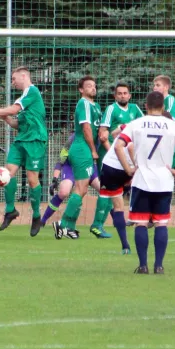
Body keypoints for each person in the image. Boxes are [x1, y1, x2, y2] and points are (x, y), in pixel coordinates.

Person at [115, 91, 175, 274]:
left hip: (142, 179)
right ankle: (159, 266)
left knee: (140, 223)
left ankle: (143, 266)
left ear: (146, 106)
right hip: (164, 181)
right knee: (161, 223)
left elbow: (119, 144)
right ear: (163, 107)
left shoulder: (136, 123)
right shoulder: (173, 126)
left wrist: (129, 169)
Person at [0, 66, 47, 237]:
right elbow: (17, 123)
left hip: (35, 141)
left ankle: (36, 215)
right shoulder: (23, 97)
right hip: (21, 140)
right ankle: (10, 210)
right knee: (8, 173)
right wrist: (6, 118)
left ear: (24, 76)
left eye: (14, 79)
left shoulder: (32, 91)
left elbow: (14, 110)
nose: (12, 82)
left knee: (32, 180)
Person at [90, 82, 144, 237]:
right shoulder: (111, 109)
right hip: (112, 158)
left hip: (127, 157)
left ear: (129, 95)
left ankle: (116, 217)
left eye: (125, 93)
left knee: (122, 189)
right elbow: (103, 133)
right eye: (119, 93)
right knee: (108, 191)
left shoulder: (135, 109)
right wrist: (112, 153)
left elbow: (143, 125)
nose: (122, 96)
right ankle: (97, 225)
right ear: (115, 96)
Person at [52, 76, 102, 239]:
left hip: (84, 149)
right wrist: (93, 150)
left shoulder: (96, 106)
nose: (93, 88)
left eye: (94, 86)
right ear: (81, 90)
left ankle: (70, 227)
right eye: (88, 86)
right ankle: (62, 225)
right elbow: (86, 128)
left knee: (83, 189)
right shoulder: (84, 103)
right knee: (80, 189)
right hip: (81, 148)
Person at [40, 133, 100, 227]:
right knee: (63, 192)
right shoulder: (72, 139)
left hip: (89, 166)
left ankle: (101, 224)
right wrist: (54, 180)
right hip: (71, 167)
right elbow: (61, 160)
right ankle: (42, 221)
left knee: (104, 190)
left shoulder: (97, 137)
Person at [153, 75, 175, 169]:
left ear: (166, 87)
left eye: (158, 85)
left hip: (173, 146)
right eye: (154, 85)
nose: (154, 88)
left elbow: (169, 119)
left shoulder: (170, 99)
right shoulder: (157, 102)